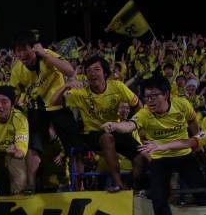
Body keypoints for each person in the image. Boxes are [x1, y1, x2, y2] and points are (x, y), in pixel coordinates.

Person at [104, 76, 206, 215]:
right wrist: (115, 125)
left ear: (166, 95)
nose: (149, 100)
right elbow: (129, 126)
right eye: (146, 97)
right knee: (158, 200)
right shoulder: (144, 113)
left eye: (154, 96)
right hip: (160, 158)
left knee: (202, 192)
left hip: (184, 155)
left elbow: (193, 122)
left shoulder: (182, 104)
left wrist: (196, 142)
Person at [50, 55, 146, 191]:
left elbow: (138, 105)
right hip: (92, 134)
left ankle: (128, 188)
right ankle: (118, 183)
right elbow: (53, 101)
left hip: (114, 131)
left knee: (142, 159)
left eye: (96, 69)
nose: (92, 73)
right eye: (88, 70)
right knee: (107, 139)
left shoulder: (118, 87)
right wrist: (66, 86)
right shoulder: (81, 93)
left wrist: (135, 124)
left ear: (105, 72)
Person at [10, 30, 78, 194]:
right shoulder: (18, 70)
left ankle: (79, 185)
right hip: (37, 109)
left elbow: (69, 71)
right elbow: (15, 95)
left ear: (33, 48)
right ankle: (31, 185)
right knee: (34, 146)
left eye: (24, 49)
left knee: (74, 146)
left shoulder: (46, 55)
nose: (21, 54)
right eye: (17, 51)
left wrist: (45, 55)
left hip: (58, 106)